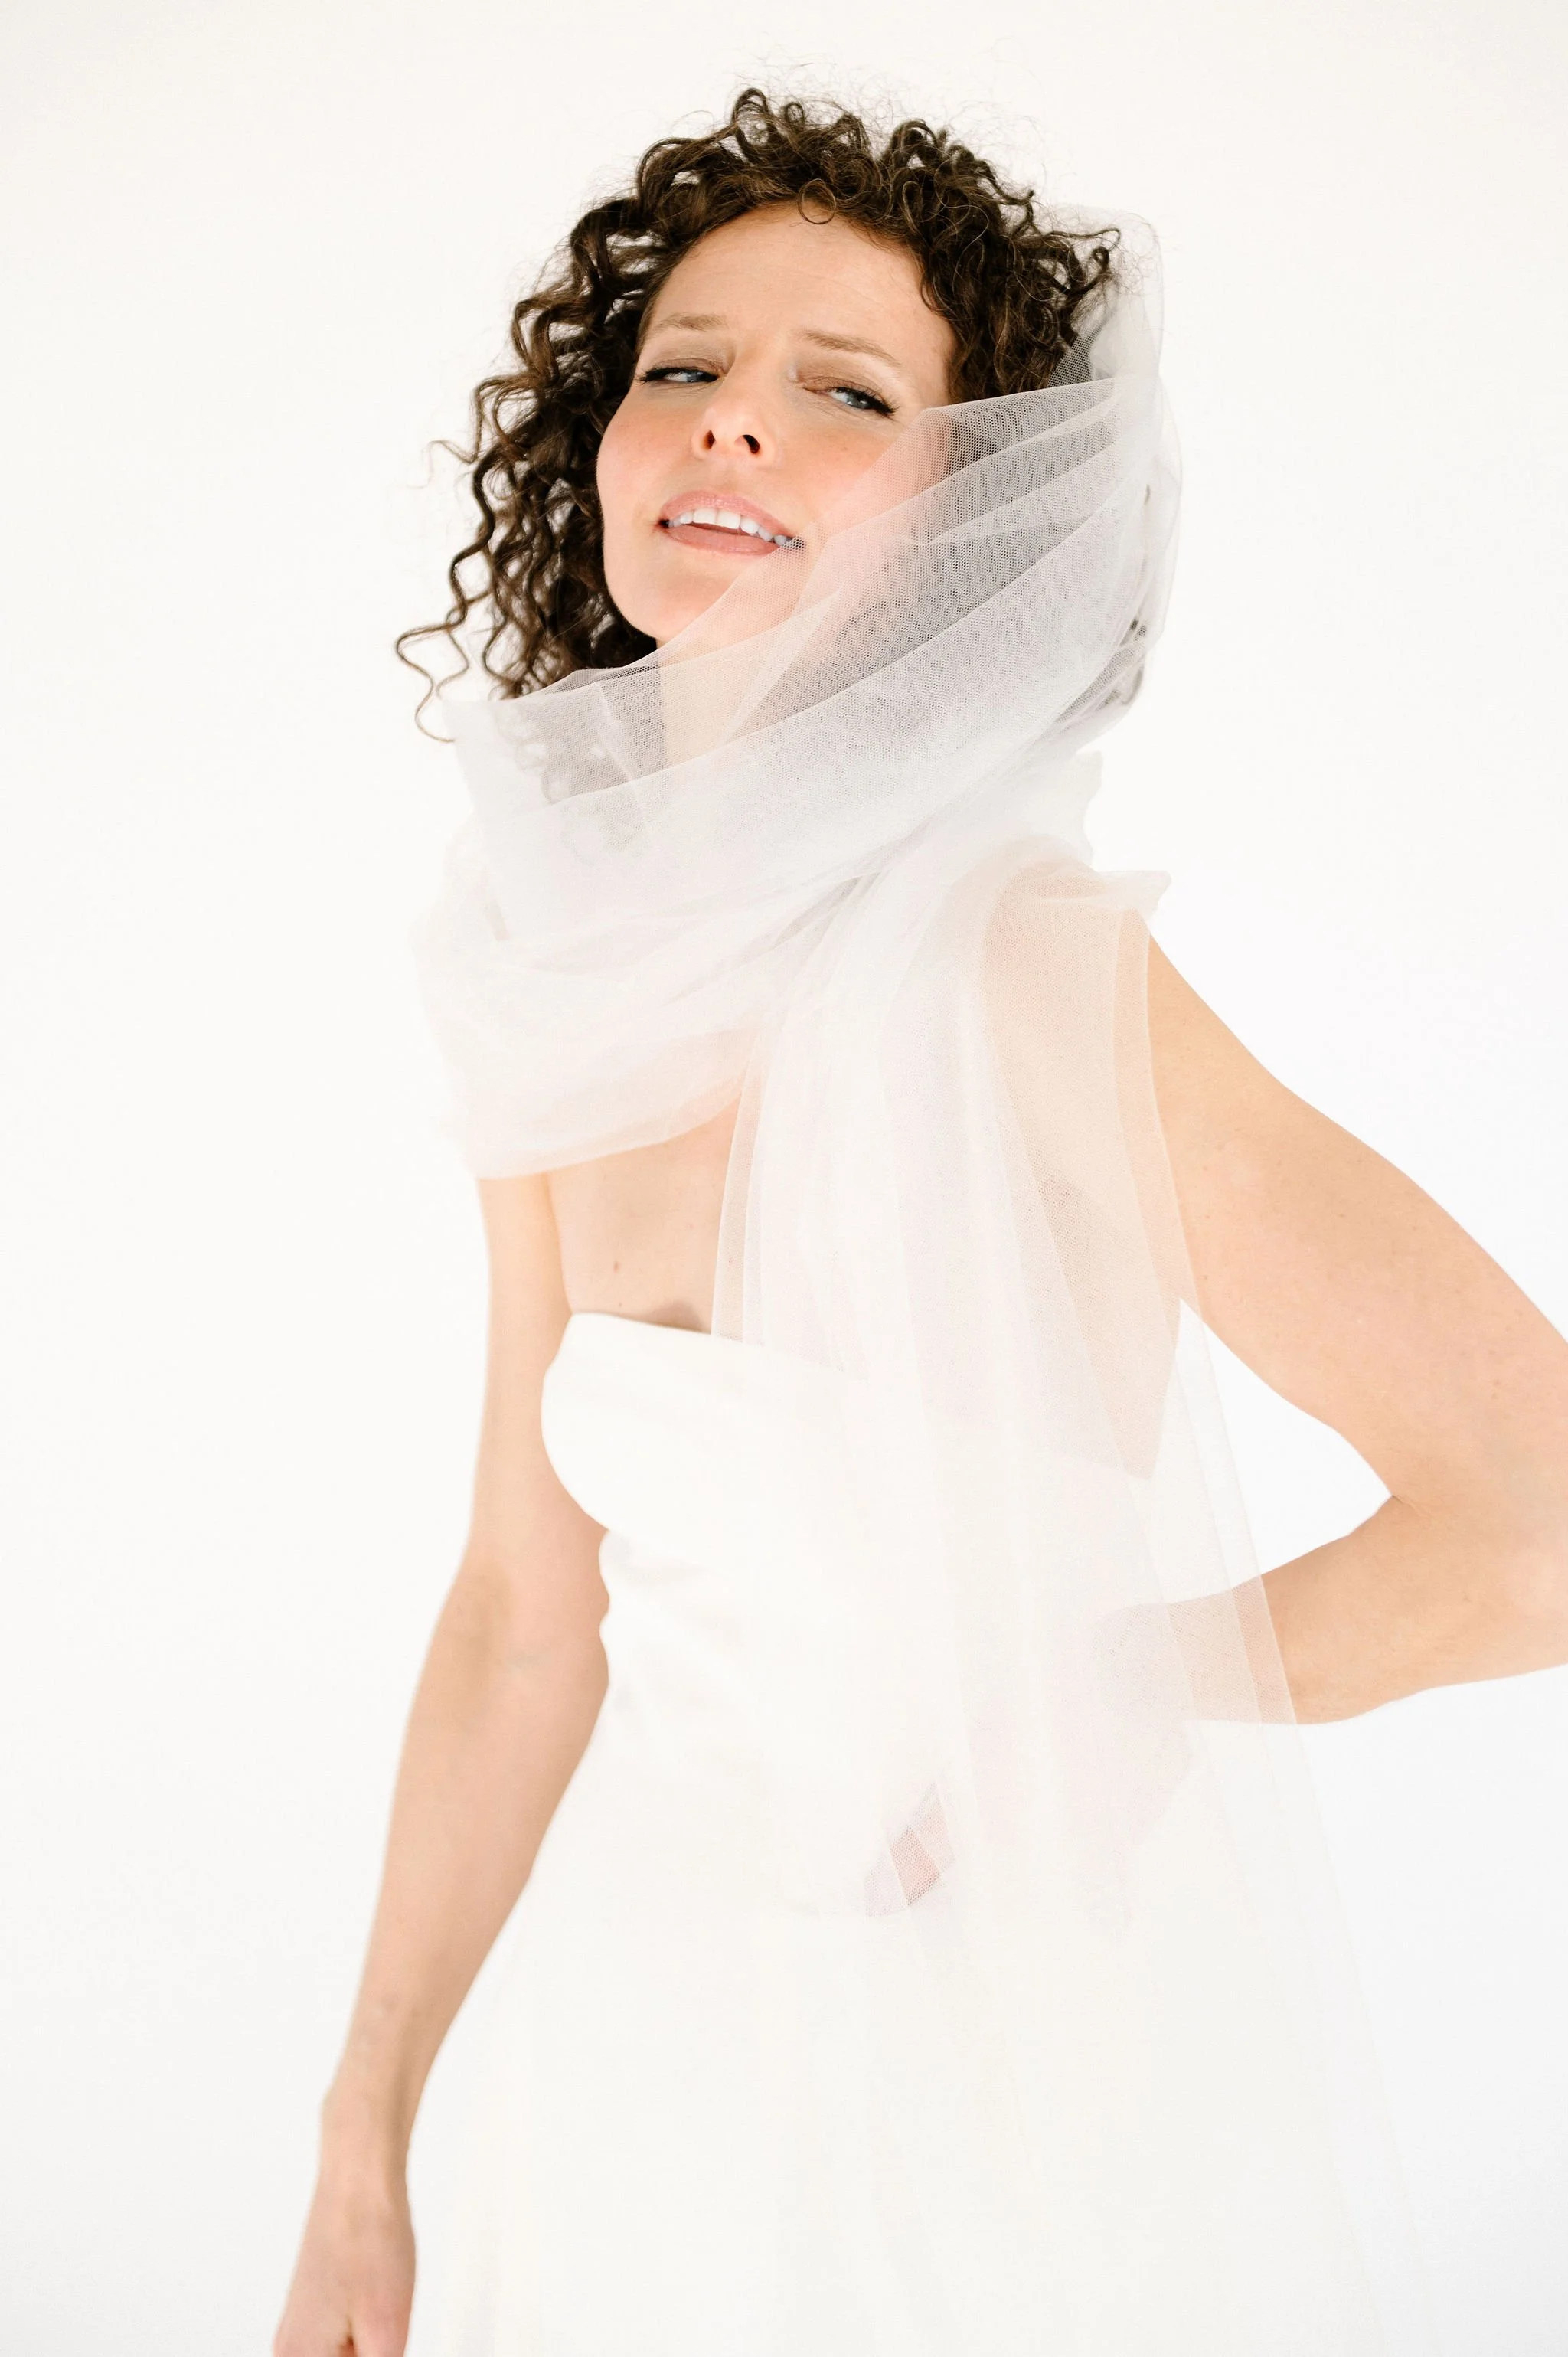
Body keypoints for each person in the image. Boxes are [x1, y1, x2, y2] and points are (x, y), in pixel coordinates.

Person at [273, 89, 1568, 2357]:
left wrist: (1126, 1681)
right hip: (634, 2058)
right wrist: (361, 2138)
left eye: (845, 394)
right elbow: (517, 1612)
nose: (733, 424)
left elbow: (1540, 1509)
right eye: (680, 363)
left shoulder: (1014, 961)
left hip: (979, 2078)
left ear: (976, 525)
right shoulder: (540, 970)